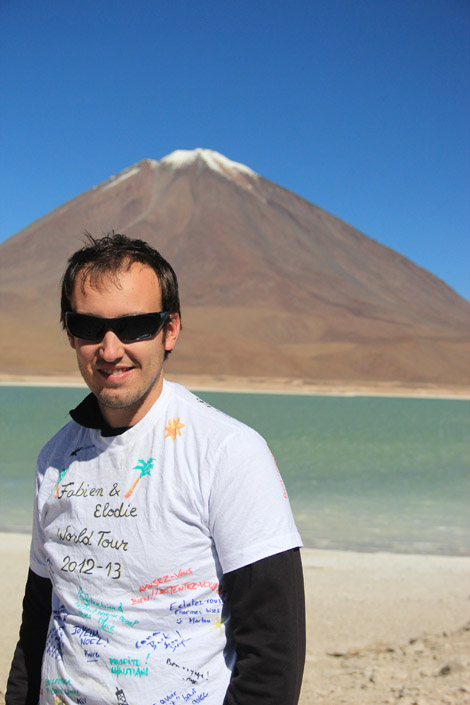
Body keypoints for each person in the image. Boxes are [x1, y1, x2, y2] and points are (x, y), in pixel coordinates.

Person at [7, 233, 305, 705]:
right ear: (69, 333)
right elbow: (39, 614)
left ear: (170, 330)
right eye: (88, 326)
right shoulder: (54, 458)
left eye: (135, 326)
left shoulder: (228, 453)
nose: (110, 349)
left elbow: (273, 652)